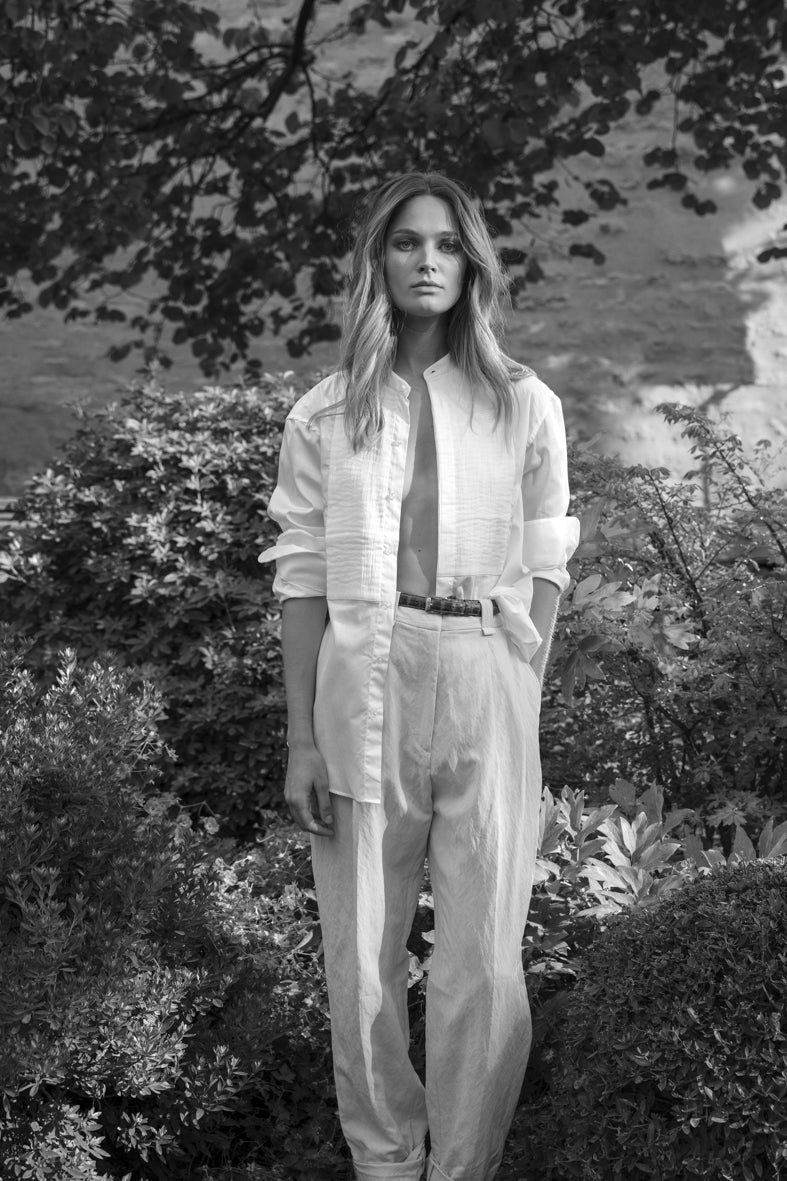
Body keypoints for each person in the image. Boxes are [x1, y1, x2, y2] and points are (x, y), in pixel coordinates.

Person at [258, 171, 579, 1181]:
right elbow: (301, 577)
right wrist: (301, 740)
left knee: (482, 956)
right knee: (361, 951)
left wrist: (523, 685)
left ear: (471, 264)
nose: (427, 261)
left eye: (445, 244)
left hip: (486, 666)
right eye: (407, 243)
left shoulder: (523, 403)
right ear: (379, 262)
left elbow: (547, 555)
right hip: (364, 681)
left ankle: (462, 1166)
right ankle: (386, 1164)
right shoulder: (324, 413)